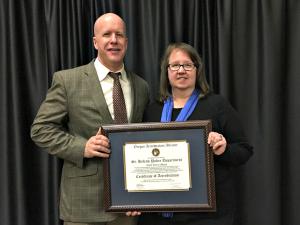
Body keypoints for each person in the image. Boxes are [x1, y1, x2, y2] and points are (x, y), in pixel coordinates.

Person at [31, 13, 149, 225]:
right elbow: (41, 129)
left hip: (127, 206)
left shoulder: (141, 86)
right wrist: (82, 147)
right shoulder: (68, 80)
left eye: (119, 35)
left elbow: (144, 141)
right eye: (106, 34)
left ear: (127, 42)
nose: (114, 40)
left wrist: (143, 191)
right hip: (82, 207)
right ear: (95, 42)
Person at [137, 42, 253, 225]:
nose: (181, 70)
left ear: (197, 70)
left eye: (188, 65)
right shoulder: (152, 111)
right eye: (175, 65)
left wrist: (222, 150)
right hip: (158, 216)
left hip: (206, 216)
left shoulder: (217, 105)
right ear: (166, 71)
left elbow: (244, 150)